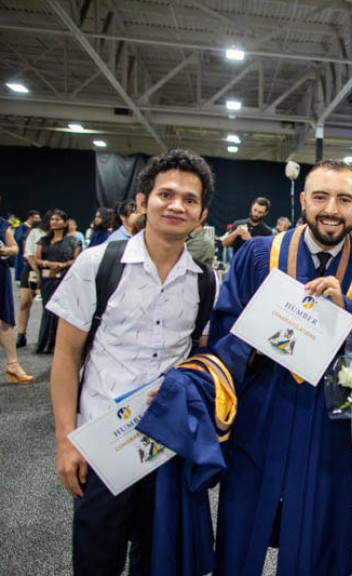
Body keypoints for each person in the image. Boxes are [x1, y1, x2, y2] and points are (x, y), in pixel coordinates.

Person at [48, 149, 216, 576]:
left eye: (189, 200)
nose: (176, 205)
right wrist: (66, 440)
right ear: (143, 202)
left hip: (166, 445)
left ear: (201, 214)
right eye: (166, 194)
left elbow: (198, 356)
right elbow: (66, 357)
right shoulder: (98, 264)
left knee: (157, 559)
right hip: (102, 442)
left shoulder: (204, 281)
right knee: (96, 559)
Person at [209, 160, 352, 576]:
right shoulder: (259, 254)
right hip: (260, 406)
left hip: (325, 417)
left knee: (318, 526)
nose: (331, 209)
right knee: (243, 519)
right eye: (320, 197)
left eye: (343, 199)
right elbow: (224, 327)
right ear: (304, 200)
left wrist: (347, 309)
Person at [35, 209, 81, 354]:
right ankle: (44, 342)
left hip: (65, 279)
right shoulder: (44, 240)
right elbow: (37, 258)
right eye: (52, 219)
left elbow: (76, 259)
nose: (54, 222)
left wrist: (62, 265)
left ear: (65, 222)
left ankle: (58, 344)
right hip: (47, 279)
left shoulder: (74, 241)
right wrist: (48, 264)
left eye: (58, 219)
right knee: (47, 309)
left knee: (61, 310)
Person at [1, 200, 33, 384]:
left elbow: (14, 247)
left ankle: (13, 365)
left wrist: (7, 250)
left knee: (4, 319)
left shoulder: (1, 223)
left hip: (1, 273)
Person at [15, 212, 47, 349]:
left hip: (48, 269)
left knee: (47, 305)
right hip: (31, 268)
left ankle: (45, 337)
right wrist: (36, 270)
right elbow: (28, 252)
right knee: (24, 302)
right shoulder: (35, 232)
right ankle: (21, 335)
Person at [13, 210, 41, 283]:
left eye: (39, 218)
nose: (38, 220)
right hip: (22, 251)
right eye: (36, 218)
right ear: (30, 218)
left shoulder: (37, 228)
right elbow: (19, 238)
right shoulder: (22, 226)